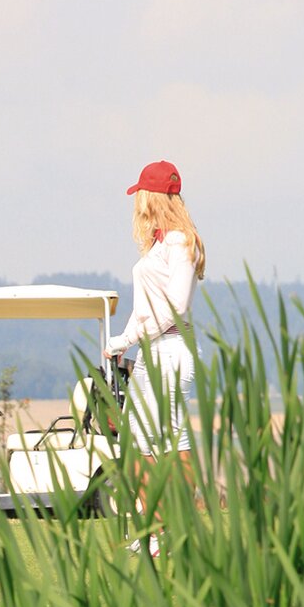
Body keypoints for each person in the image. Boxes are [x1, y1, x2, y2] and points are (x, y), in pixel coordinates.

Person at [102, 161, 205, 552]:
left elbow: (174, 307)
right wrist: (122, 340)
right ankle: (153, 529)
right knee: (138, 443)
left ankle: (174, 530)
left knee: (171, 440)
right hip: (150, 349)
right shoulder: (161, 243)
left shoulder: (180, 242)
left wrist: (130, 337)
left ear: (153, 196)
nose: (137, 202)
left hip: (171, 349)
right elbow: (145, 307)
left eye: (141, 193)